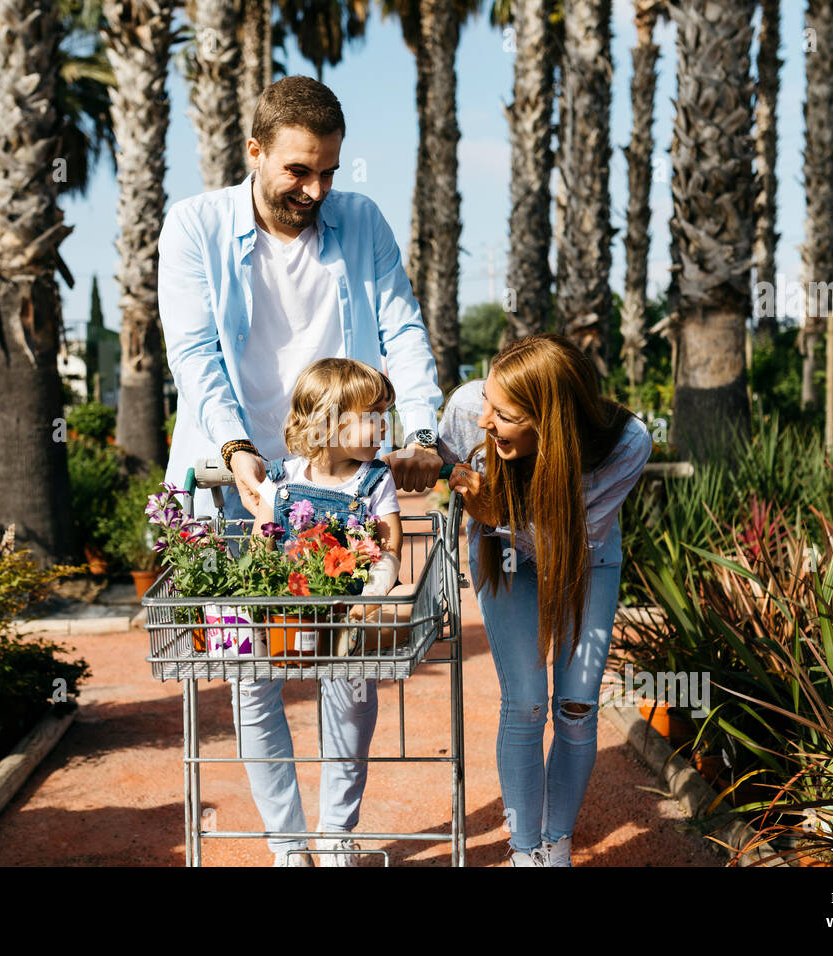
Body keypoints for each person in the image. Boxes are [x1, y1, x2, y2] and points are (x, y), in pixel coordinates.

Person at [157, 76, 445, 866]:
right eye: (297, 171)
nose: (314, 190)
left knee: (349, 670)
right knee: (250, 672)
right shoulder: (193, 226)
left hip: (342, 483)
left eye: (327, 172)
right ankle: (287, 845)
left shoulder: (362, 223)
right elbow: (195, 356)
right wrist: (239, 452)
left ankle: (335, 836)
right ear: (254, 152)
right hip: (227, 486)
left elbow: (403, 329)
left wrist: (419, 429)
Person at [437, 333, 652, 867]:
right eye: (488, 401)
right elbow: (443, 461)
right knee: (528, 702)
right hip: (501, 554)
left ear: (549, 419)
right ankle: (523, 850)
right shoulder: (468, 408)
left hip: (584, 555)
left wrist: (497, 513)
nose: (485, 420)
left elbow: (569, 541)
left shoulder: (627, 443)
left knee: (577, 706)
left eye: (504, 414)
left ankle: (556, 844)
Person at [238, 358, 406, 866]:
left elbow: (390, 547)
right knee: (250, 686)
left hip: (344, 619)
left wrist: (368, 599)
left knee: (353, 705)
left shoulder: (375, 481)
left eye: (386, 415)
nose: (384, 427)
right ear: (328, 422)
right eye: (372, 415)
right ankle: (287, 844)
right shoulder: (282, 477)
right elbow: (263, 542)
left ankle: (336, 832)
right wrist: (260, 594)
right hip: (285, 615)